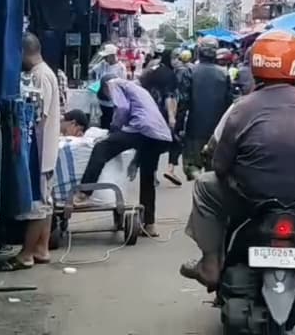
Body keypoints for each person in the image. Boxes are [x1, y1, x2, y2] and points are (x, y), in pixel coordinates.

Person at [180, 30, 295, 293]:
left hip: (248, 197)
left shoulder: (242, 106)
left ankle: (211, 263)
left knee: (204, 185)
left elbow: (220, 166)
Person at [76, 75, 172, 237]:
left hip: (141, 128)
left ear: (105, 86)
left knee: (101, 148)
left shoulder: (115, 84)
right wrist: (135, 162)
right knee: (148, 178)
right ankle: (149, 224)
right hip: (159, 136)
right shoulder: (138, 89)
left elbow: (122, 109)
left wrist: (114, 129)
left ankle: (84, 193)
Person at [2, 33, 64, 271]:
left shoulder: (39, 77)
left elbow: (38, 116)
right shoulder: (45, 73)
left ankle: (27, 253)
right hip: (46, 149)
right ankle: (41, 248)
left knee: (38, 205)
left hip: (40, 150)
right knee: (46, 203)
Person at [183, 37, 235, 180]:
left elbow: (183, 102)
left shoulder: (191, 72)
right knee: (214, 170)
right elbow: (230, 104)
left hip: (195, 128)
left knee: (192, 167)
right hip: (217, 131)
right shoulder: (224, 74)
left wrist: (179, 126)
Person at [140, 50, 183, 187]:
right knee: (176, 141)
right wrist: (171, 117)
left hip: (148, 112)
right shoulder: (169, 75)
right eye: (175, 58)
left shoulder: (151, 71)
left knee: (153, 143)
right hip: (163, 114)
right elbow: (169, 96)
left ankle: (152, 173)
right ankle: (170, 169)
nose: (177, 61)